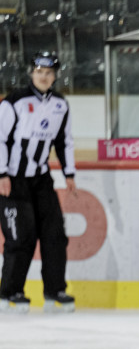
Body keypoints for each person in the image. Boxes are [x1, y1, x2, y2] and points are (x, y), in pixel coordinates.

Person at [0, 51, 76, 314]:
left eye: (49, 73)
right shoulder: (14, 102)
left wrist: (69, 173)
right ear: (31, 73)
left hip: (41, 179)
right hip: (13, 180)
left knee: (55, 235)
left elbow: (63, 141)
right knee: (21, 237)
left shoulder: (60, 104)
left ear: (54, 76)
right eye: (39, 72)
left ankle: (55, 290)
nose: (44, 77)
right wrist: (1, 174)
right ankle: (10, 292)